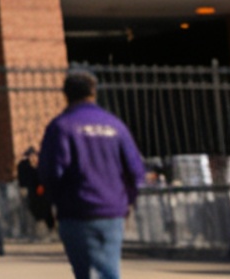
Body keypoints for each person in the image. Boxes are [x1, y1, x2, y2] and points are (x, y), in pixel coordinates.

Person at [37, 71, 147, 279]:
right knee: (108, 269)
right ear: (93, 92)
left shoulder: (61, 127)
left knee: (88, 273)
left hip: (76, 210)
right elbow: (135, 170)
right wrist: (127, 201)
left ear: (66, 94)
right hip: (112, 210)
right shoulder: (115, 125)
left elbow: (51, 171)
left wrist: (53, 202)